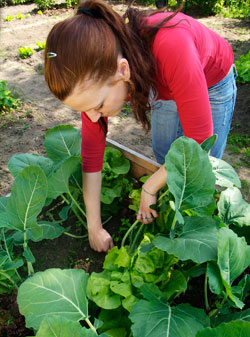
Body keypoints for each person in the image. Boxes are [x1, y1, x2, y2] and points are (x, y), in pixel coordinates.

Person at [44, 0, 237, 252]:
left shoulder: (171, 46)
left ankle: (188, 232)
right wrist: (94, 226)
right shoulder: (94, 85)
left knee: (200, 171)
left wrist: (150, 186)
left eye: (98, 106)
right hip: (159, 78)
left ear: (122, 70)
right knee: (165, 155)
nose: (92, 117)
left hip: (211, 81)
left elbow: (199, 140)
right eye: (83, 109)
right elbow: (92, 158)